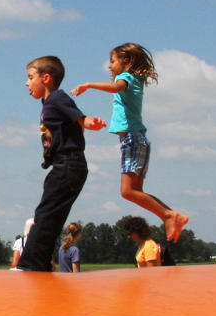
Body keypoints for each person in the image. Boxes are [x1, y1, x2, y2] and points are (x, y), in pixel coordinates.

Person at [71, 43, 190, 242]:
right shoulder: (135, 79)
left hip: (132, 139)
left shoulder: (125, 78)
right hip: (138, 139)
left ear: (126, 62)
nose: (109, 66)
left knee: (127, 191)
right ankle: (170, 216)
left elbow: (117, 87)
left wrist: (89, 85)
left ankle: (169, 215)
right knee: (136, 192)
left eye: (112, 61)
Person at [16, 56, 105, 272]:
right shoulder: (48, 103)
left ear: (46, 78)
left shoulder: (57, 98)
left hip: (69, 164)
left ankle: (30, 265)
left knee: (46, 216)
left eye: (30, 77)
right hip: (64, 165)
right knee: (48, 216)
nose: (26, 83)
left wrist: (90, 123)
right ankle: (41, 262)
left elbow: (79, 117)